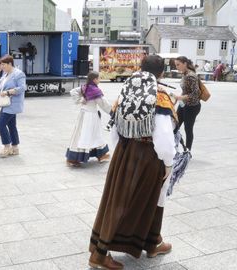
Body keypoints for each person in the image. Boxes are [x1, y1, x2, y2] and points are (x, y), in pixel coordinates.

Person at [88, 55, 177, 269]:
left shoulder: (127, 90)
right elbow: (164, 136)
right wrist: (168, 162)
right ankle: (99, 255)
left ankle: (153, 242)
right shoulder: (160, 95)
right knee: (138, 200)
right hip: (148, 155)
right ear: (161, 73)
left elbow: (116, 126)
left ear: (141, 68)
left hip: (124, 151)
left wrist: (121, 151)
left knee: (121, 198)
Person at [66, 71, 112, 167]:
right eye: (99, 78)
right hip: (90, 116)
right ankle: (77, 158)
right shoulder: (95, 91)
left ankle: (74, 157)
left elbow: (73, 91)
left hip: (83, 114)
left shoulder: (84, 87)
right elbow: (103, 104)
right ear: (94, 79)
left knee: (81, 135)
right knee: (91, 134)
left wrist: (80, 100)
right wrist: (113, 111)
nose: (100, 80)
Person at [0, 55, 26, 157]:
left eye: (4, 64)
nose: (2, 67)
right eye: (2, 65)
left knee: (0, 124)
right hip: (6, 104)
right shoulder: (5, 74)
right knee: (12, 125)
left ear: (10, 64)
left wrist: (8, 92)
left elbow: (23, 88)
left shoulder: (19, 74)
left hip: (12, 104)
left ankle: (6, 147)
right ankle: (15, 147)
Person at [173, 56, 201, 151]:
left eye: (178, 64)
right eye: (176, 65)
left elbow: (196, 93)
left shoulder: (191, 75)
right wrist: (179, 98)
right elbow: (186, 90)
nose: (177, 67)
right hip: (184, 104)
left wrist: (179, 97)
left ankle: (187, 151)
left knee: (188, 129)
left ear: (185, 64)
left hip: (192, 106)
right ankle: (173, 148)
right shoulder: (185, 74)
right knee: (175, 126)